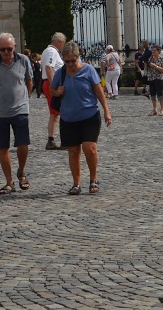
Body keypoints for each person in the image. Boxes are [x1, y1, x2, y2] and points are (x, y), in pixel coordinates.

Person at [52, 41, 111, 195]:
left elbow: (98, 91)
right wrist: (57, 92)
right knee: (73, 151)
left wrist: (106, 111)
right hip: (68, 118)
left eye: (73, 60)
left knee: (89, 148)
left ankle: (93, 179)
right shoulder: (60, 73)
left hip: (89, 115)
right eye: (67, 61)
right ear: (63, 59)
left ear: (79, 56)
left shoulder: (88, 70)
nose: (71, 64)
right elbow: (52, 90)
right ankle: (76, 183)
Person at [0, 32, 35, 194]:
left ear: (14, 47)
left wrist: (25, 98)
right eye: (3, 49)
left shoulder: (23, 60)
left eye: (9, 49)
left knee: (23, 143)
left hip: (20, 109)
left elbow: (29, 81)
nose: (6, 52)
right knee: (3, 147)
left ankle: (21, 171)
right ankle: (9, 182)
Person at [40, 32, 66, 147]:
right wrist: (53, 86)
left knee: (55, 113)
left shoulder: (48, 51)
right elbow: (49, 67)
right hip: (52, 84)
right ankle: (60, 139)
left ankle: (52, 139)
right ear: (59, 42)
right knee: (58, 112)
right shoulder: (52, 51)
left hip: (49, 83)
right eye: (63, 43)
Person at [145, 43, 163, 115]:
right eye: (152, 50)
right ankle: (154, 109)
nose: (152, 52)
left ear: (158, 51)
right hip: (151, 78)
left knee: (160, 94)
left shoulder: (162, 59)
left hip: (159, 78)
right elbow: (147, 68)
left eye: (154, 50)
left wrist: (155, 66)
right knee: (152, 94)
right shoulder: (150, 59)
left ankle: (162, 109)